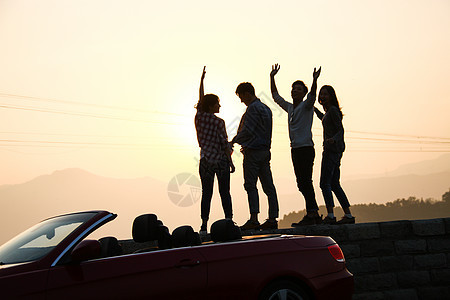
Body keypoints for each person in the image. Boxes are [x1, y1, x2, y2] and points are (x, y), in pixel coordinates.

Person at [270, 64, 322, 226]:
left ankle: (313, 214)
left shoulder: (307, 107)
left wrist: (314, 80)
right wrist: (272, 77)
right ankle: (312, 212)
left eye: (298, 89)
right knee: (301, 183)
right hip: (295, 149)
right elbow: (276, 97)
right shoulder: (290, 108)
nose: (294, 91)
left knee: (306, 181)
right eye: (293, 89)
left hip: (306, 148)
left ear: (304, 93)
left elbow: (313, 95)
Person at [230, 82, 279, 230]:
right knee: (268, 186)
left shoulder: (252, 109)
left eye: (241, 96)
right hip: (265, 151)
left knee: (250, 185)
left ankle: (254, 218)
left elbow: (248, 131)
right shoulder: (266, 109)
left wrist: (233, 140)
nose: (241, 100)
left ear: (246, 93)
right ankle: (272, 217)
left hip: (252, 152)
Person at [195, 66, 235, 234]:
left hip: (205, 161)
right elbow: (224, 144)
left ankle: (204, 224)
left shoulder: (199, 118)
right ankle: (229, 220)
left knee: (207, 193)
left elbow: (201, 98)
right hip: (220, 161)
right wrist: (231, 161)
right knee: (224, 192)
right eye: (217, 103)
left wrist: (202, 80)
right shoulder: (220, 122)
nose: (220, 105)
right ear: (212, 106)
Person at [314, 85, 355, 224]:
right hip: (335, 150)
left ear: (331, 96)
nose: (323, 96)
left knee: (324, 183)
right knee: (334, 184)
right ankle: (348, 215)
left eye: (325, 94)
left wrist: (333, 139)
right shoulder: (329, 112)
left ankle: (330, 215)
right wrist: (314, 110)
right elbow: (324, 119)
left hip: (332, 150)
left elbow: (340, 130)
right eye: (321, 94)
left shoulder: (332, 110)